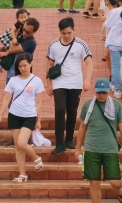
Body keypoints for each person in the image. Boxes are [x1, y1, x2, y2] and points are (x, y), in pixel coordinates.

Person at [77, 78, 122, 203]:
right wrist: (78, 148)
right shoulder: (87, 105)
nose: (101, 95)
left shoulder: (116, 105)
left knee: (115, 181)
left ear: (108, 91)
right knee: (94, 183)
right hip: (91, 149)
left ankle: (119, 189)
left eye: (104, 92)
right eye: (99, 93)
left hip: (110, 149)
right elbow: (82, 127)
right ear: (95, 92)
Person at [0, 54, 45, 182]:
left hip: (29, 115)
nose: (23, 68)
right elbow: (7, 98)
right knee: (18, 146)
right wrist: (0, 115)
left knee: (22, 143)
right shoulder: (13, 80)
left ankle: (36, 158)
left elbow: (39, 102)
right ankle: (22, 174)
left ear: (30, 64)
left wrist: (39, 120)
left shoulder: (37, 81)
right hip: (14, 114)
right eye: (20, 66)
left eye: (25, 65)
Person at [45, 17, 92, 155]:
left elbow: (89, 62)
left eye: (69, 33)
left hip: (76, 82)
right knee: (60, 109)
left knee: (72, 111)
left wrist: (87, 80)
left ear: (73, 30)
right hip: (59, 82)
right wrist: (49, 84)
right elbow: (49, 65)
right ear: (60, 31)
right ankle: (59, 143)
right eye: (63, 33)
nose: (66, 36)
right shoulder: (53, 45)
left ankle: (69, 140)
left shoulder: (81, 44)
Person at [0, 16, 40, 80]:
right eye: (24, 29)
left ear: (34, 32)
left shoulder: (31, 42)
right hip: (11, 74)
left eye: (28, 32)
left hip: (22, 76)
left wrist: (15, 34)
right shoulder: (20, 36)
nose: (24, 33)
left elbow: (11, 49)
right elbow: (11, 48)